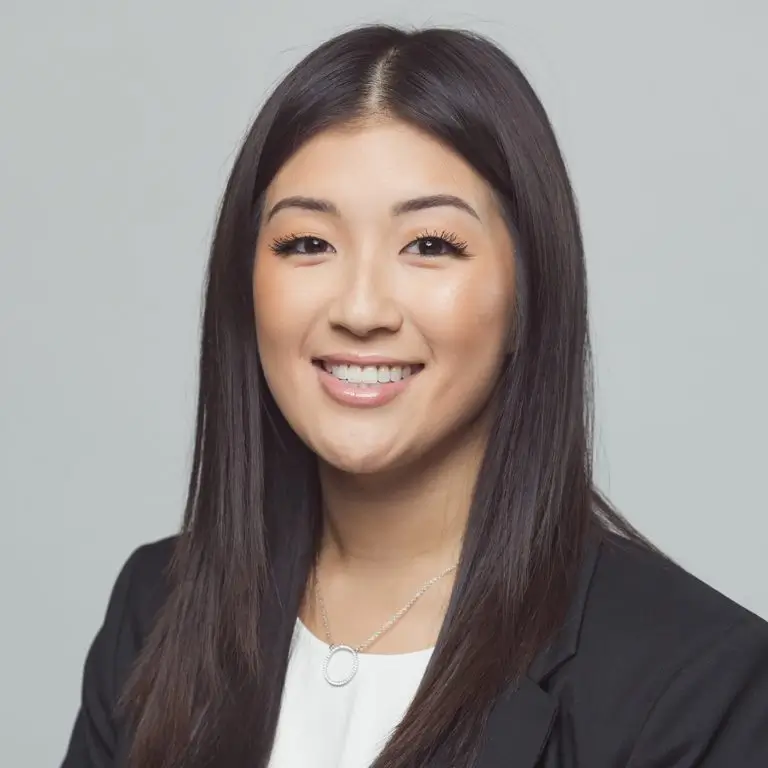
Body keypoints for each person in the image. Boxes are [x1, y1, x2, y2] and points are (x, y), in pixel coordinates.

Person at [61, 24, 768, 768]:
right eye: (307, 243)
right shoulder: (157, 607)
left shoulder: (697, 680)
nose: (361, 309)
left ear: (529, 295)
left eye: (430, 245)